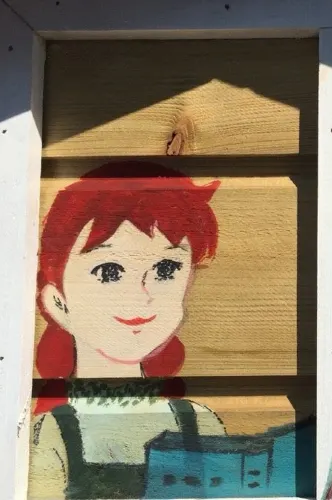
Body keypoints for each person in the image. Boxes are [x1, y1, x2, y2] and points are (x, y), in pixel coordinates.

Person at [29, 161, 227, 499]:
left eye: (166, 269)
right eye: (109, 272)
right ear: (58, 302)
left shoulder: (200, 423)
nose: (142, 295)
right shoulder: (53, 431)